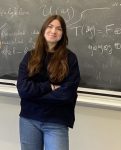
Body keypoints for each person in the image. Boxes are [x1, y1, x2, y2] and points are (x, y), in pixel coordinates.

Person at [17, 15, 80, 150]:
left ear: (63, 34)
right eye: (50, 27)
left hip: (56, 121)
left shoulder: (70, 59)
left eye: (59, 29)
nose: (53, 31)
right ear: (43, 29)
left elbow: (67, 94)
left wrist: (34, 96)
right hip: (29, 120)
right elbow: (23, 90)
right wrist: (49, 87)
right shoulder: (30, 56)